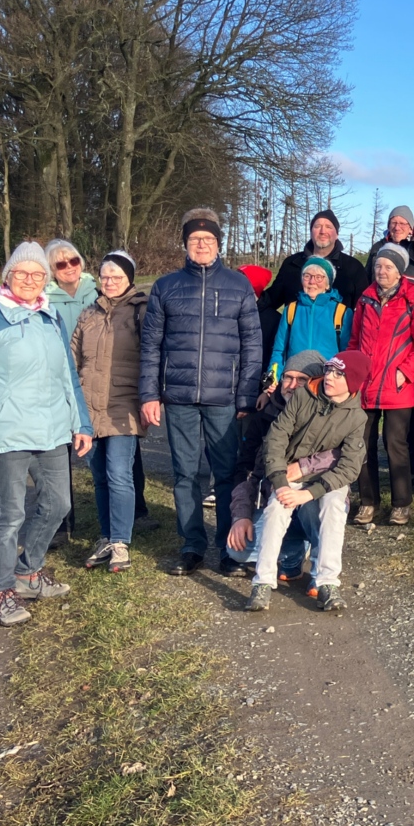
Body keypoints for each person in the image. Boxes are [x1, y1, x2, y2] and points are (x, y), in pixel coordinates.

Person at [0, 241, 93, 626]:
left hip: (52, 432)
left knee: (59, 505)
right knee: (10, 514)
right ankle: (1, 590)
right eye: (22, 273)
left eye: (37, 275)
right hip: (6, 435)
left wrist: (80, 422)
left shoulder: (51, 319)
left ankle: (29, 571)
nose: (30, 280)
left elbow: (68, 377)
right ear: (7, 276)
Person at [140, 207, 263, 576]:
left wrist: (245, 395)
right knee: (185, 474)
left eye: (209, 239)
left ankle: (229, 548)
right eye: (195, 239)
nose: (202, 245)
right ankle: (192, 545)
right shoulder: (166, 286)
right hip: (178, 399)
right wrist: (149, 394)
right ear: (185, 244)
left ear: (219, 243)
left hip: (224, 399)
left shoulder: (238, 286)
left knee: (226, 475)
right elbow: (150, 345)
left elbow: (252, 345)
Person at [240, 349, 370, 613]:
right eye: (330, 370)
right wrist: (279, 482)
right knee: (278, 506)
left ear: (353, 382)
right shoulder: (302, 396)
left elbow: (350, 467)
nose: (330, 377)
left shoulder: (357, 417)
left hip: (325, 481)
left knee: (334, 507)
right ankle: (263, 582)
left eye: (339, 373)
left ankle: (327, 582)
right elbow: (276, 439)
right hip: (288, 475)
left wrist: (309, 493)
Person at [346, 242, 414, 525]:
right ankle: (368, 501)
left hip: (398, 387)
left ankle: (401, 503)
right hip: (366, 386)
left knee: (395, 444)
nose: (381, 271)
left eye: (388, 267)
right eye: (378, 266)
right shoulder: (365, 300)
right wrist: (352, 375)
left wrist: (405, 373)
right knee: (362, 445)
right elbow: (354, 341)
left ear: (400, 272)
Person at [70, 250, 147, 573]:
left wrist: (150, 398)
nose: (110, 282)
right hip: (89, 407)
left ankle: (120, 541)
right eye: (105, 277)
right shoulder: (88, 314)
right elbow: (73, 358)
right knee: (99, 475)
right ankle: (105, 535)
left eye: (117, 276)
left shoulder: (140, 312)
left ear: (129, 278)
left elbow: (153, 356)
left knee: (118, 473)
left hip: (124, 405)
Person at [226, 349, 326, 582]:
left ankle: (318, 556)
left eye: (301, 380)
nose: (291, 385)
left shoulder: (327, 414)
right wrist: (241, 515)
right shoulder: (264, 416)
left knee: (316, 509)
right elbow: (246, 469)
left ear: (316, 383)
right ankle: (292, 548)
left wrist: (303, 468)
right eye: (287, 378)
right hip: (275, 499)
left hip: (311, 499)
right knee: (237, 551)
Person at [43, 237, 98, 541]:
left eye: (73, 261)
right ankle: (63, 522)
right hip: (58, 380)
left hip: (94, 380)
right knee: (58, 452)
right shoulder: (44, 297)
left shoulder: (98, 290)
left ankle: (119, 516)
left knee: (99, 448)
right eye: (60, 264)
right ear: (51, 269)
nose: (69, 268)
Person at [262, 209, 370, 315]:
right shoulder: (292, 264)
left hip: (337, 332)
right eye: (317, 226)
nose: (323, 231)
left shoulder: (353, 268)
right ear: (311, 232)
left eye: (328, 227)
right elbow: (271, 300)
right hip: (296, 331)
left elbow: (363, 311)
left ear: (336, 234)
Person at [265, 257, 354, 385]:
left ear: (328, 284)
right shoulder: (291, 310)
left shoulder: (341, 312)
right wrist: (272, 379)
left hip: (325, 383)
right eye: (307, 276)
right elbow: (279, 351)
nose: (312, 281)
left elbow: (347, 355)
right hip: (294, 383)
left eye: (319, 277)